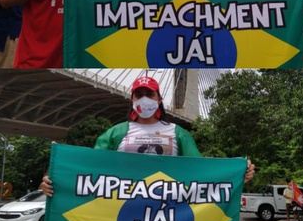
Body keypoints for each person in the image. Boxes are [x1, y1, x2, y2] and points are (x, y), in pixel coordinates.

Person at [41, 76, 255, 194]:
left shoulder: (179, 134)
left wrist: (236, 174)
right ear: (132, 99)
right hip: (120, 204)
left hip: (168, 207)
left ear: (159, 99)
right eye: (139, 94)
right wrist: (55, 180)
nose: (144, 99)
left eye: (149, 94)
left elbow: (199, 170)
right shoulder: (115, 133)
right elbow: (90, 168)